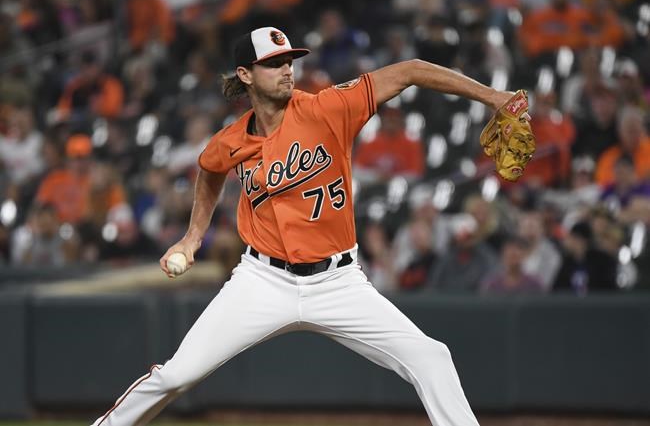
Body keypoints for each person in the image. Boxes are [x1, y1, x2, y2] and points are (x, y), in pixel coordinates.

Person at [90, 26, 513, 426]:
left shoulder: (329, 108)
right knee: (177, 375)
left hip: (338, 282)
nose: (287, 69)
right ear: (246, 75)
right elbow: (209, 170)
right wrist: (192, 236)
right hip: (261, 281)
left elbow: (411, 71)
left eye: (289, 60)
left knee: (431, 357)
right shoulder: (232, 140)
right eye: (274, 63)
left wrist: (492, 96)